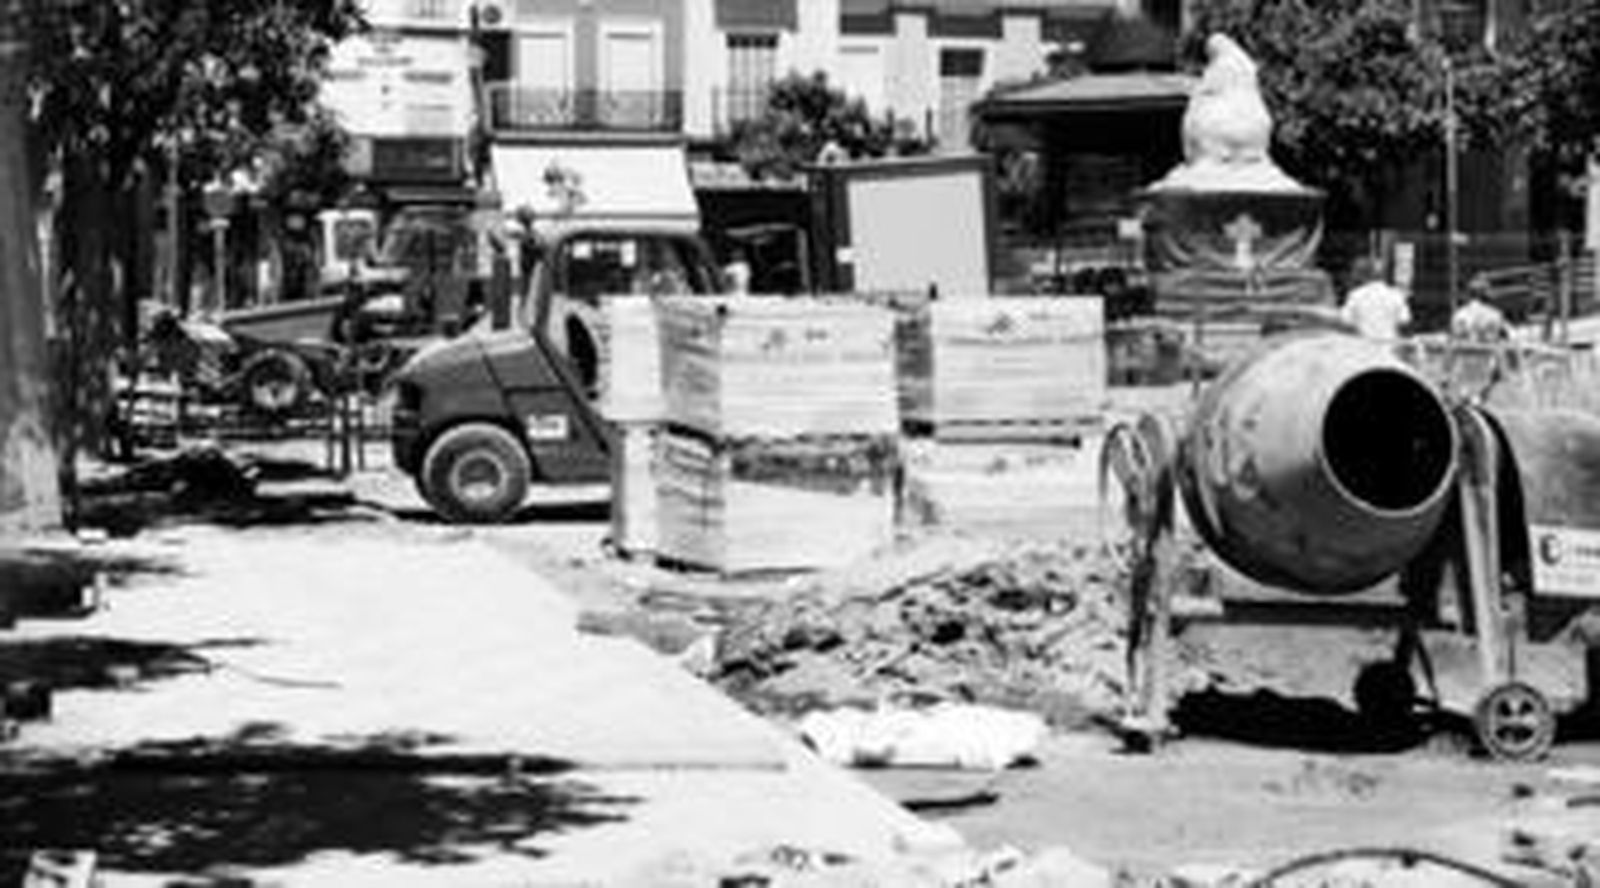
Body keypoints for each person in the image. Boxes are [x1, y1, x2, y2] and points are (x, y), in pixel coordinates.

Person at [1340, 257, 1411, 341]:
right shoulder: (1395, 294)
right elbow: (1404, 320)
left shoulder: (1355, 296)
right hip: (1390, 344)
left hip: (1364, 346)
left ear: (1358, 275)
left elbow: (1346, 322)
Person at [1451, 276, 1510, 343]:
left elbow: (1456, 338)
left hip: (1464, 352)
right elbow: (1510, 336)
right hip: (1488, 352)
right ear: (1485, 294)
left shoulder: (1459, 314)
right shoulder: (1495, 314)